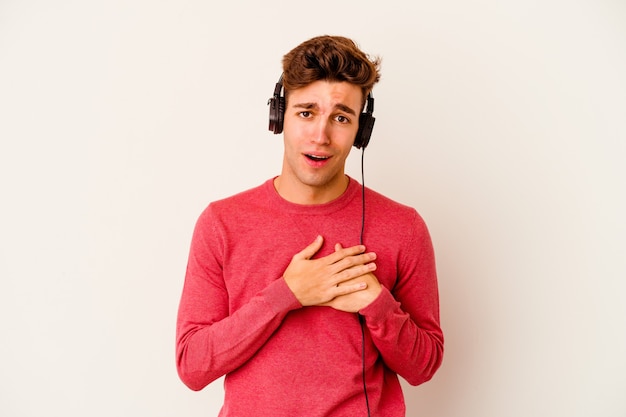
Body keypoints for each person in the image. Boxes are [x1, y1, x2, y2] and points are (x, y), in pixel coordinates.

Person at [176, 35, 444, 417]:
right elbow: (193, 366)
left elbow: (424, 366)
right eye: (306, 112)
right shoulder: (222, 223)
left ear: (361, 131)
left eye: (340, 117)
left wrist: (377, 305)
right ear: (278, 116)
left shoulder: (404, 227)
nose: (321, 135)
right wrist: (287, 294)